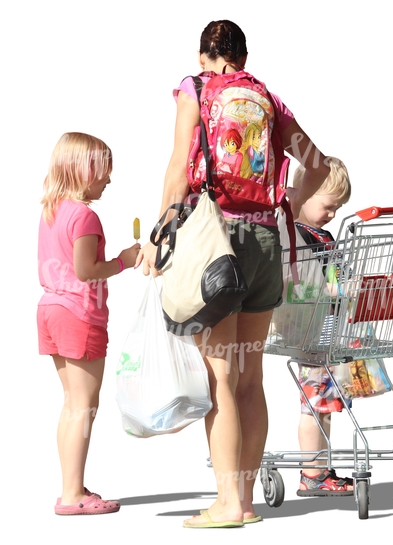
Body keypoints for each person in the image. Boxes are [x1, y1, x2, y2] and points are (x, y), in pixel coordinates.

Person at [135, 20, 331, 528]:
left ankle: (228, 504)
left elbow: (179, 167)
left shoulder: (195, 89)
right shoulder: (268, 99)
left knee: (220, 373)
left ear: (206, 56)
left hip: (216, 244)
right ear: (243, 57)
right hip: (267, 243)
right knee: (251, 377)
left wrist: (159, 236)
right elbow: (316, 162)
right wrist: (291, 201)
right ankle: (245, 500)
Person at [37, 132, 141, 515]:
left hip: (50, 309)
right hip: (79, 314)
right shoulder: (84, 215)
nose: (109, 180)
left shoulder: (52, 209)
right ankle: (73, 496)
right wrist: (124, 261)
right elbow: (86, 271)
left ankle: (71, 487)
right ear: (84, 171)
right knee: (83, 406)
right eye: (104, 171)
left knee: (71, 404)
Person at [290, 158, 356, 496]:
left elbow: (336, 277)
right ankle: (311, 473)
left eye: (337, 208)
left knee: (324, 405)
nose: (332, 214)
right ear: (305, 194)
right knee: (313, 405)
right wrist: (339, 287)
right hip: (310, 333)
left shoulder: (323, 236)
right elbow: (308, 284)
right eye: (328, 206)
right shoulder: (296, 237)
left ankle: (321, 469)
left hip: (328, 332)